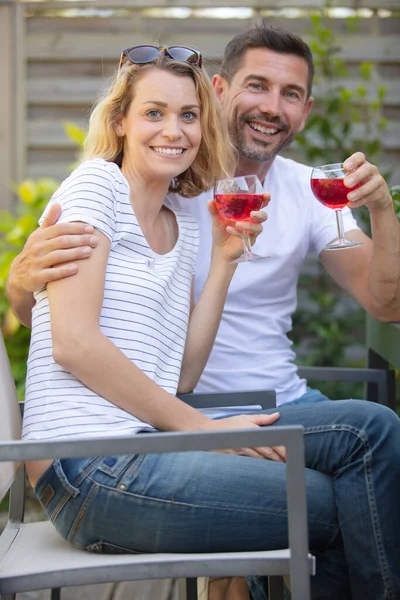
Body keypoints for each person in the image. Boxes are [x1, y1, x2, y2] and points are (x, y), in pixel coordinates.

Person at [6, 28, 400, 600]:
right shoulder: (97, 186)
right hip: (93, 469)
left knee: (375, 431)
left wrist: (222, 263)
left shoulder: (179, 220)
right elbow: (71, 341)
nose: (174, 130)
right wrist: (204, 431)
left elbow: (183, 375)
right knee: (349, 498)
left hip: (146, 444)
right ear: (120, 122)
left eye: (187, 116)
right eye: (155, 113)